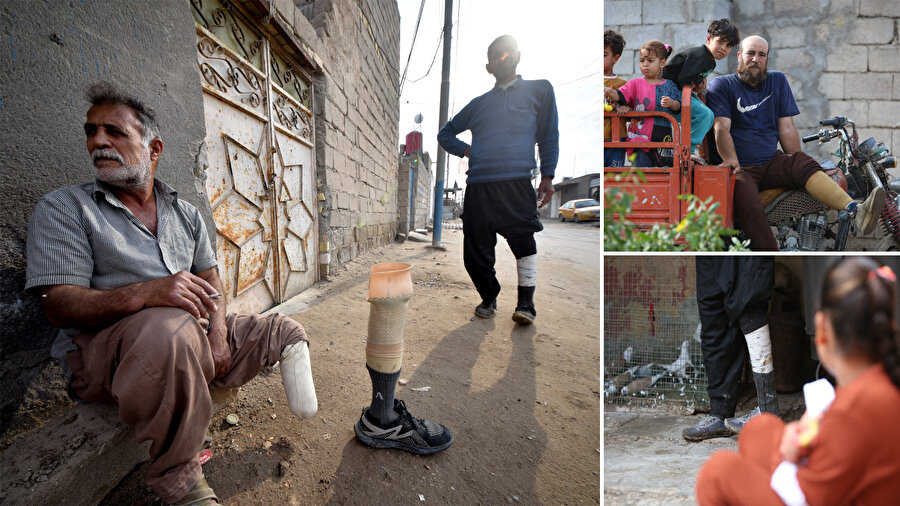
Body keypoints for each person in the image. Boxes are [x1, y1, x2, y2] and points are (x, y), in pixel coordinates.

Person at [25, 82, 318, 505]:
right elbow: (57, 305)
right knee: (170, 332)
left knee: (280, 330)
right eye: (92, 131)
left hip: (187, 333)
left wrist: (217, 332)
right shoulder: (65, 209)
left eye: (115, 132)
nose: (98, 142)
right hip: (112, 351)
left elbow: (211, 282)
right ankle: (181, 484)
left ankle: (209, 367)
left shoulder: (186, 214)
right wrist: (146, 293)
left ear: (153, 148)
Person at [696, 257, 900, 505]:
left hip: (813, 494)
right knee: (762, 428)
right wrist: (809, 439)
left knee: (719, 470)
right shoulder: (880, 387)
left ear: (822, 330)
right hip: (836, 480)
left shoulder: (850, 412)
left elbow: (809, 497)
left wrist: (796, 456)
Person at [706, 35, 885, 250]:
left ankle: (855, 210)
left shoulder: (777, 81)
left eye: (761, 55)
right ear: (739, 56)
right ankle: (774, 259)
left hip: (771, 161)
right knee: (750, 209)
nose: (755, 59)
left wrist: (795, 162)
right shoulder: (723, 85)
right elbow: (721, 128)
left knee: (803, 163)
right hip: (741, 168)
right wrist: (731, 161)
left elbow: (787, 128)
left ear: (767, 59)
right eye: (750, 53)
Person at [437, 34, 558, 325]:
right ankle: (489, 296)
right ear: (488, 67)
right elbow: (445, 134)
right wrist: (468, 150)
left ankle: (526, 304)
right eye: (496, 55)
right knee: (475, 251)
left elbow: (548, 136)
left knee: (523, 241)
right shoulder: (478, 105)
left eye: (508, 52)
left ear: (518, 55)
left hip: (517, 183)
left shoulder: (540, 91)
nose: (503, 57)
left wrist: (549, 175)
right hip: (479, 185)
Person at [683, 257, 779, 442]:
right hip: (711, 242)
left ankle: (768, 408)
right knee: (713, 311)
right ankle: (720, 414)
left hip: (743, 244)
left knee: (747, 298)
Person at [661, 18, 740, 163]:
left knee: (708, 115)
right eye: (720, 41)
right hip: (670, 92)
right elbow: (685, 77)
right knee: (705, 114)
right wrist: (698, 82)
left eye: (728, 45)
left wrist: (700, 85)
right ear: (709, 39)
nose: (723, 48)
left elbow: (693, 80)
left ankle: (687, 146)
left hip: (682, 91)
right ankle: (688, 150)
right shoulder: (700, 55)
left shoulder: (710, 62)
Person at [603, 41, 681, 167]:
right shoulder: (635, 84)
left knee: (663, 177)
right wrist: (610, 92)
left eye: (650, 60)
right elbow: (621, 95)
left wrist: (672, 103)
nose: (645, 64)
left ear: (662, 62)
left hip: (663, 142)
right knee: (641, 177)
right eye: (642, 60)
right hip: (639, 141)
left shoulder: (670, 85)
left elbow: (679, 106)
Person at [604, 30, 628, 167]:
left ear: (615, 58)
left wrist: (627, 108)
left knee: (613, 181)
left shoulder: (624, 85)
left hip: (617, 139)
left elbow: (633, 109)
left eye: (603, 55)